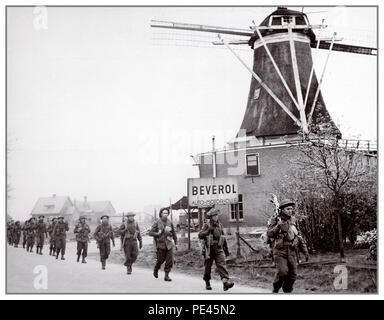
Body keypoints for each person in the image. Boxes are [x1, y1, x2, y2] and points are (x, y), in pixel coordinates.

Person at [267, 199, 309, 293]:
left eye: (291, 209)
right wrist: (278, 226)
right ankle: (275, 288)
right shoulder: (275, 219)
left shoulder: (293, 220)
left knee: (293, 275)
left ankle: (287, 292)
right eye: (288, 209)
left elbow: (298, 236)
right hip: (279, 251)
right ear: (282, 210)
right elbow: (269, 234)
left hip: (292, 250)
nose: (290, 211)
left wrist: (305, 251)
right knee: (282, 272)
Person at [198, 208, 234, 291]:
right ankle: (207, 282)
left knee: (222, 265)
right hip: (209, 249)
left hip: (218, 248)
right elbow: (200, 235)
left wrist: (226, 250)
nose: (216, 217)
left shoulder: (220, 225)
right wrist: (207, 231)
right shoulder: (206, 225)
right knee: (208, 267)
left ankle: (225, 283)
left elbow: (223, 238)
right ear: (211, 217)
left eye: (217, 215)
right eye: (214, 215)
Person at [149, 208, 177, 282]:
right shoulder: (157, 222)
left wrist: (176, 242)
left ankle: (166, 275)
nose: (165, 214)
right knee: (160, 260)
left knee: (169, 260)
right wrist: (157, 233)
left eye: (167, 213)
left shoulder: (170, 222)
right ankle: (156, 268)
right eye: (164, 213)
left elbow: (174, 233)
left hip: (169, 244)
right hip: (160, 244)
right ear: (161, 214)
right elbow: (150, 233)